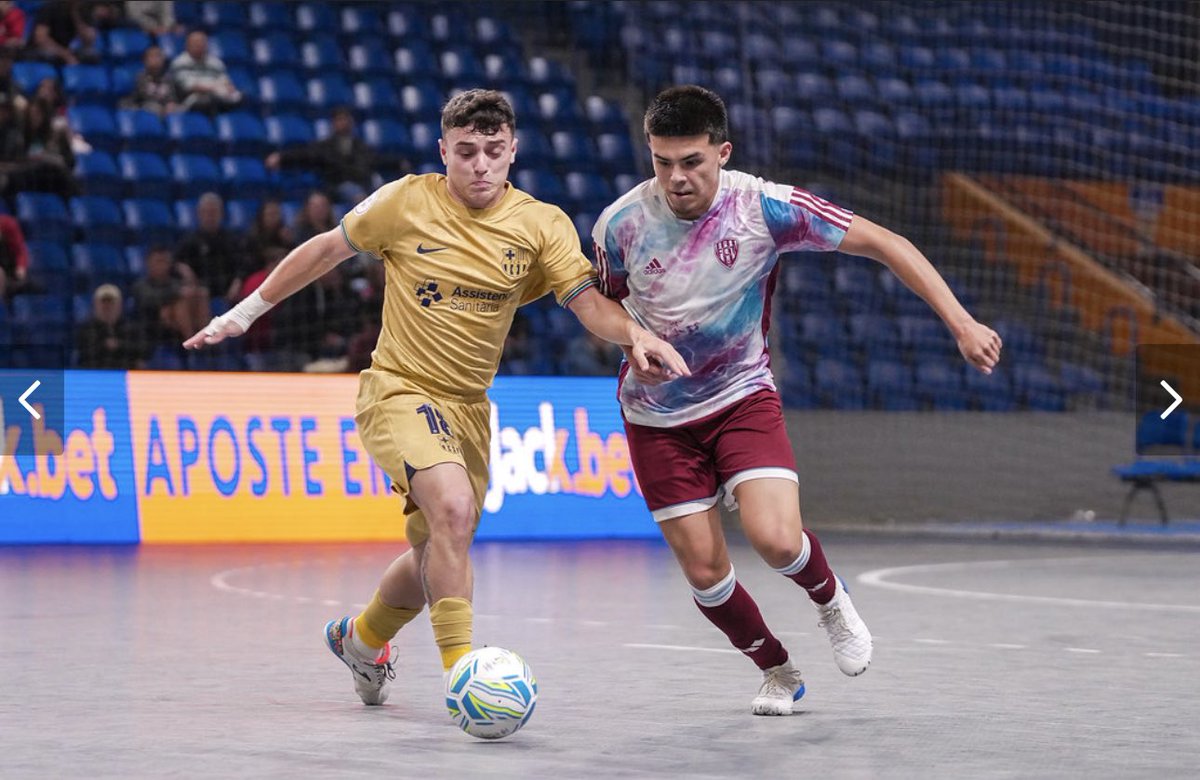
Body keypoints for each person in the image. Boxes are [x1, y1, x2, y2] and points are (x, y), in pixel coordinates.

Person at [183, 89, 689, 707]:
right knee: (451, 509)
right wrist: (242, 313)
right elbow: (326, 248)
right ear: (442, 150)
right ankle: (464, 679)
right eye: (466, 151)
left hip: (470, 408)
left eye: (494, 151)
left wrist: (635, 334)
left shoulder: (541, 224)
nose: (481, 165)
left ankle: (361, 639)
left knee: (436, 549)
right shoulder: (405, 201)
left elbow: (586, 304)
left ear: (513, 151)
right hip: (398, 389)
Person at [591, 86, 1003, 715]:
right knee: (705, 574)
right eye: (662, 162)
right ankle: (778, 671)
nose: (676, 179)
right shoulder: (619, 225)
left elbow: (887, 242)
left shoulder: (764, 207)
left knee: (778, 541)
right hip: (658, 416)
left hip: (741, 397)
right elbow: (603, 306)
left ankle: (830, 600)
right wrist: (631, 339)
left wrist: (962, 323)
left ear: (723, 153)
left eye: (692, 162)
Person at [265, 105, 375, 203]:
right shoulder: (325, 146)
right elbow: (304, 155)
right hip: (336, 187)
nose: (343, 123)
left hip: (362, 182)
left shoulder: (361, 146)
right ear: (333, 123)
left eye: (346, 119)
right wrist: (281, 157)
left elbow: (373, 162)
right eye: (339, 119)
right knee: (354, 192)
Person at [174, 192, 249, 303]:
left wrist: (237, 282)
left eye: (214, 212)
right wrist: (182, 268)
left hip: (229, 293)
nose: (210, 216)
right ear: (199, 214)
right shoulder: (189, 241)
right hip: (201, 295)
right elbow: (175, 262)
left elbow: (243, 266)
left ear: (221, 214)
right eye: (206, 212)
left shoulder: (232, 240)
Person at [168, 30, 240, 115]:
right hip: (191, 99)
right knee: (206, 101)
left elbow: (226, 82)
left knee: (241, 98)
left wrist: (229, 88)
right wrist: (214, 87)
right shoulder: (179, 63)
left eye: (202, 42)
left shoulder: (216, 62)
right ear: (187, 45)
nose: (200, 45)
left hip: (217, 95)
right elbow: (189, 86)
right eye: (196, 42)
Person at [76, 283, 144, 368]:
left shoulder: (130, 328)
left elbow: (140, 352)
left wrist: (118, 345)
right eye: (103, 302)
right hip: (94, 374)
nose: (107, 307)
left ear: (119, 305)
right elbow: (84, 354)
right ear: (95, 305)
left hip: (124, 373)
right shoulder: (86, 329)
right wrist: (104, 346)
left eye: (111, 303)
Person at [120, 44, 180, 117]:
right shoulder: (140, 78)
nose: (155, 60)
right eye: (152, 56)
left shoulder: (169, 78)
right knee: (152, 107)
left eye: (158, 56)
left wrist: (171, 104)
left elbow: (172, 97)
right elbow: (143, 97)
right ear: (145, 60)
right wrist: (162, 108)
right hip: (144, 110)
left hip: (166, 111)